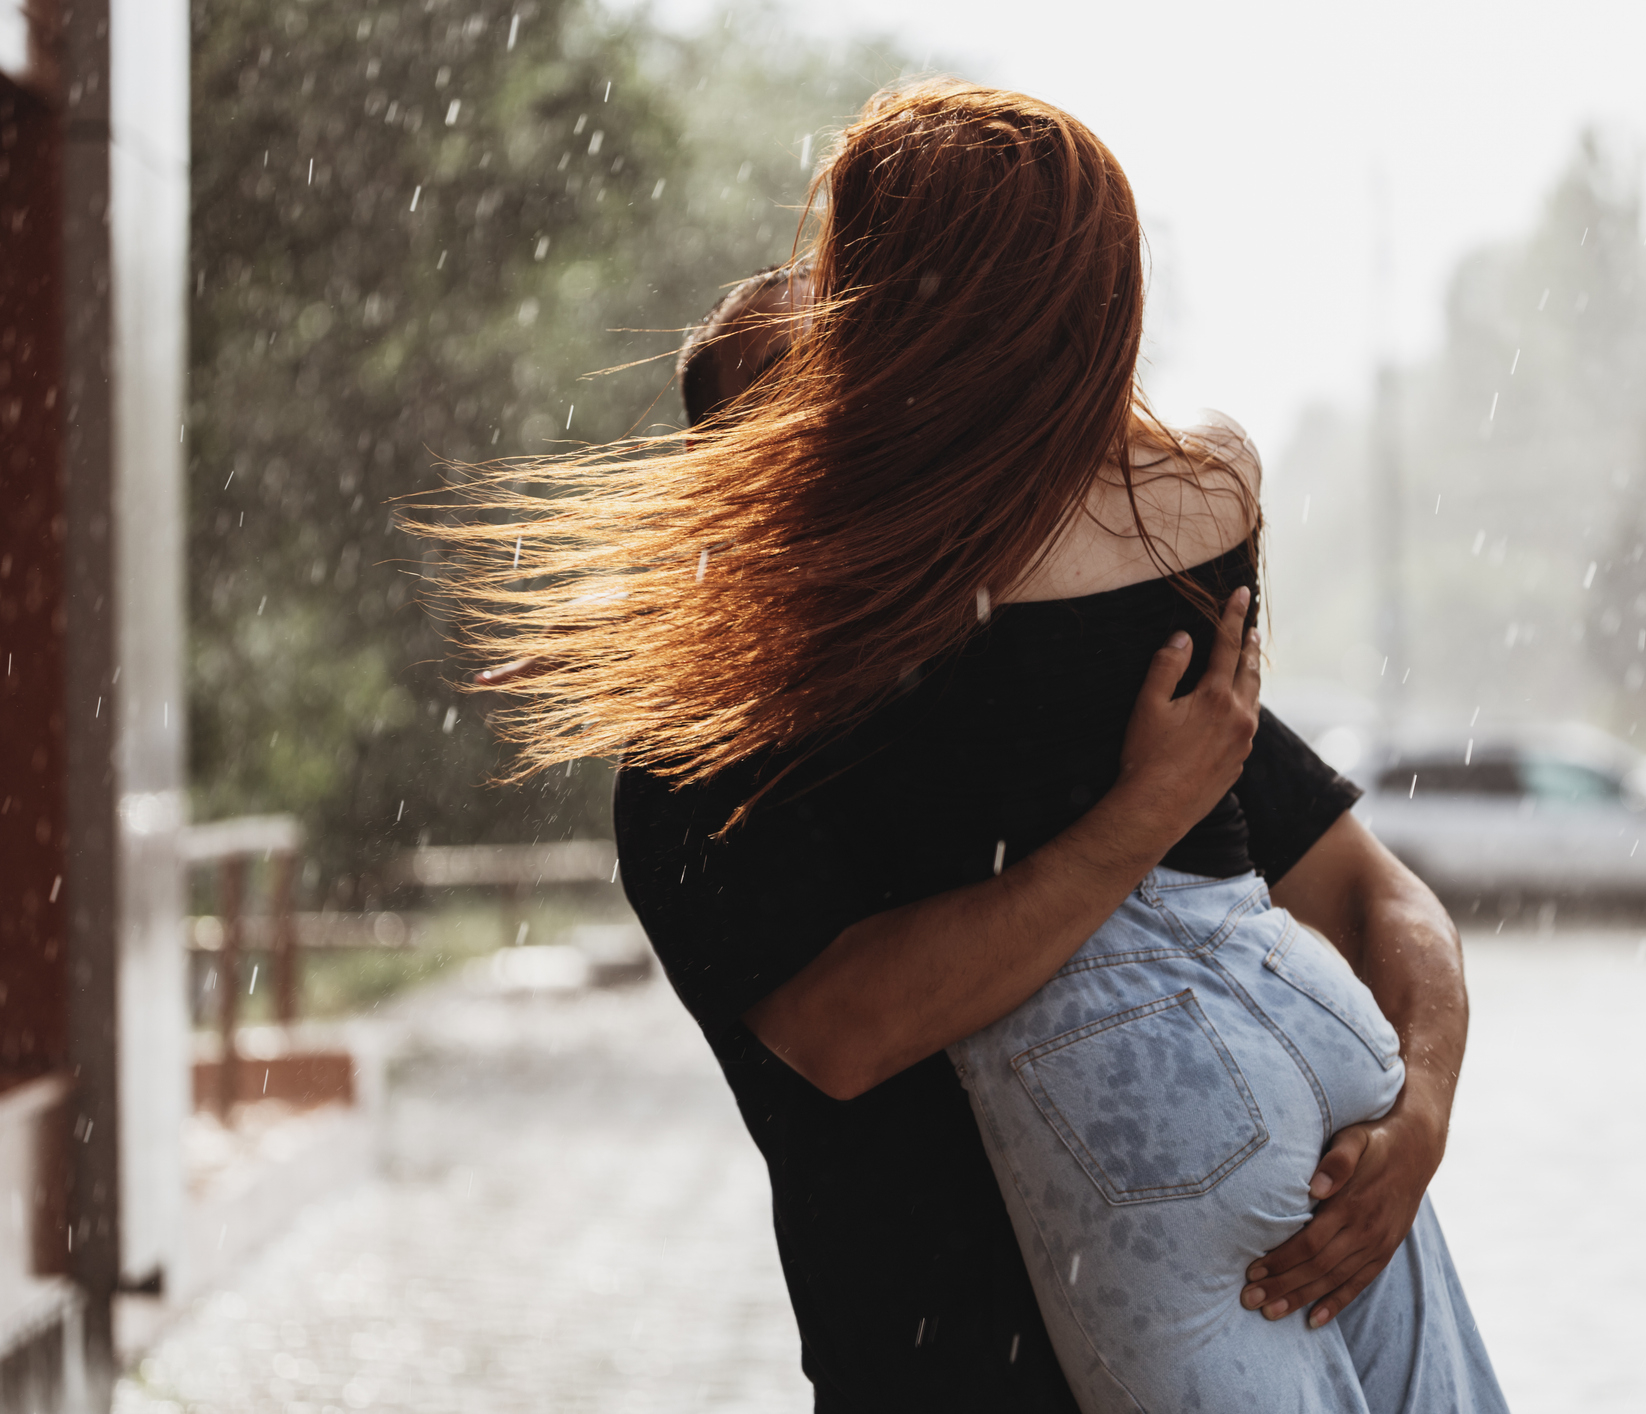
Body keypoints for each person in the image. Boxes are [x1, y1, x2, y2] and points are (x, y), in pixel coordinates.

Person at [437, 80, 1505, 1411]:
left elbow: (1377, 896)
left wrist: (1422, 1114)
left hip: (1252, 1267)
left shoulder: (1091, 672)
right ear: (772, 461)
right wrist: (1132, 822)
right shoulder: (701, 758)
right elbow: (846, 1028)